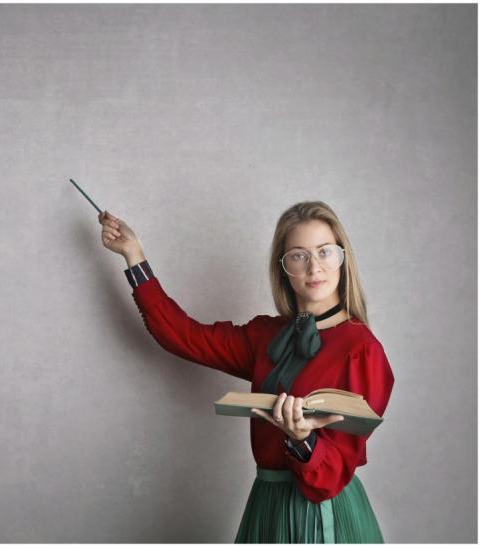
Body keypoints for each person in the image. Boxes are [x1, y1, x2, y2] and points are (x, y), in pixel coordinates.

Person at [98, 200, 394, 543]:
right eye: (298, 255)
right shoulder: (265, 336)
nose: (314, 267)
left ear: (343, 259)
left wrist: (303, 440)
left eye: (325, 252)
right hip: (266, 504)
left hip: (321, 512)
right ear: (284, 268)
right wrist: (134, 257)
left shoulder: (362, 350)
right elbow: (181, 336)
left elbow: (332, 477)